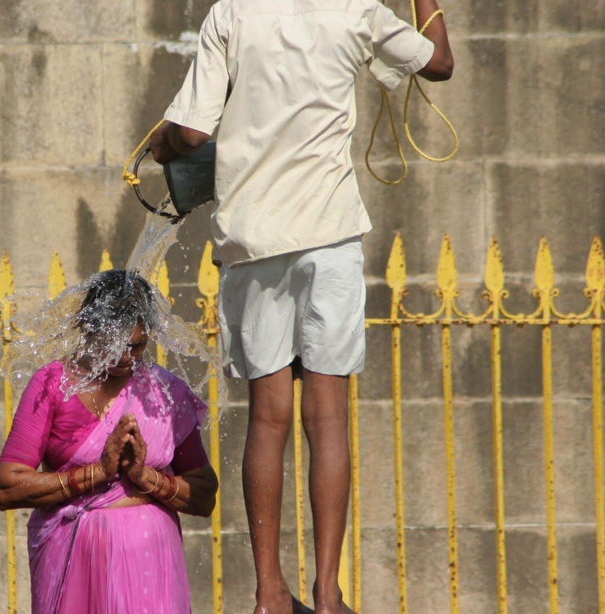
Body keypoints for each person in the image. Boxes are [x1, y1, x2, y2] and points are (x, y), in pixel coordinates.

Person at [149, 1, 454, 612]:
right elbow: (439, 62)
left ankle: (268, 593)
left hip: (253, 235)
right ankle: (327, 591)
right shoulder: (356, 9)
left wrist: (161, 142)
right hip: (329, 233)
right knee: (329, 418)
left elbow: (191, 133)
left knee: (268, 417)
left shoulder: (231, 14)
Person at [0, 270, 219, 613]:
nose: (125, 356)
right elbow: (8, 487)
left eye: (137, 346)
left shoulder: (164, 392)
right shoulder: (52, 385)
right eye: (112, 343)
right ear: (88, 329)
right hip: (75, 561)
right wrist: (97, 472)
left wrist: (147, 478)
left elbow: (204, 495)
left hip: (152, 566)